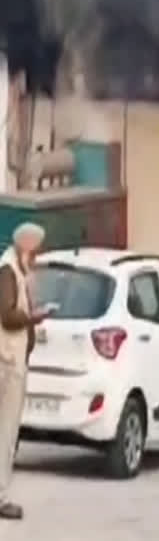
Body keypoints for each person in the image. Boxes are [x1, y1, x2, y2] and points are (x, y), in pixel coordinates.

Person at [0, 222, 52, 521]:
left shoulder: (15, 269)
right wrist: (33, 318)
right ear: (27, 244)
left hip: (13, 360)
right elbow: (7, 316)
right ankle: (1, 495)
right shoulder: (8, 270)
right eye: (36, 247)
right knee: (6, 432)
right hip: (7, 362)